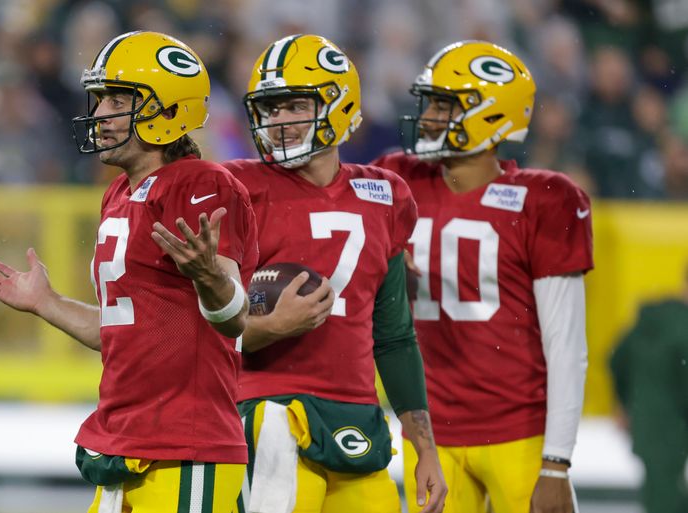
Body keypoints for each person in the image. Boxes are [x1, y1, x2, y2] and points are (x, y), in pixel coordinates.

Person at [0, 31, 259, 513]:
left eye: (118, 99)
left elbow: (234, 317)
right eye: (100, 98)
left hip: (185, 448)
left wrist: (210, 278)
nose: (100, 113)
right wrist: (49, 304)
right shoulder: (119, 193)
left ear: (169, 110)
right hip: (125, 441)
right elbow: (124, 331)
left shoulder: (199, 182)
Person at [223, 34, 447, 513]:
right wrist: (269, 328)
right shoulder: (235, 188)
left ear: (339, 105)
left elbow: (393, 336)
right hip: (268, 410)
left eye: (295, 106)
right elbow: (200, 327)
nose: (279, 122)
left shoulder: (385, 194)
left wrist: (423, 443)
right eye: (271, 109)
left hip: (358, 417)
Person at [371, 40, 593, 513]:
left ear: (492, 116)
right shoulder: (394, 178)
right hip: (431, 435)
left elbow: (565, 341)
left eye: (443, 105)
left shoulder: (545, 198)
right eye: (429, 102)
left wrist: (557, 463)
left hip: (519, 431)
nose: (428, 116)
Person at [609, 266, 688, 513]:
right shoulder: (682, 326)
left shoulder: (649, 319)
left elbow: (616, 359)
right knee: (667, 499)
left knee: (661, 493)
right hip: (673, 424)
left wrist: (625, 403)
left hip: (648, 423)